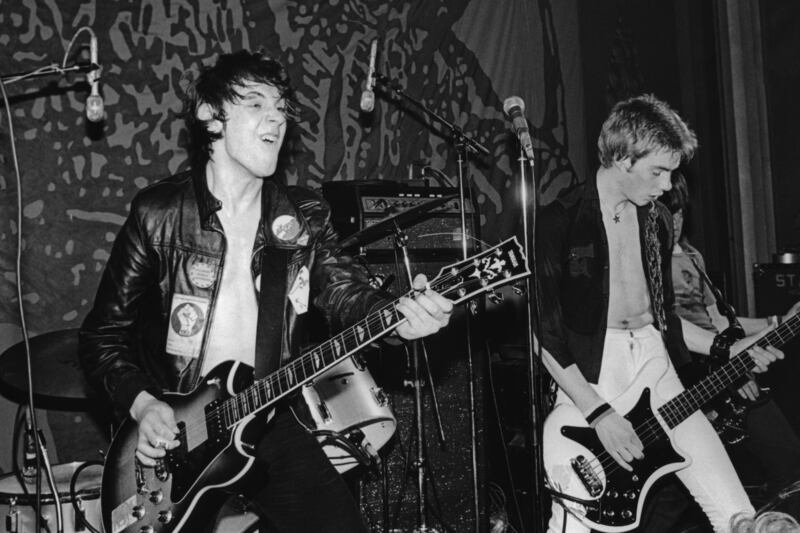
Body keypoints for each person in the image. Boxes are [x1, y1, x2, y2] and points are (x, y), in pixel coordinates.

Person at [78, 50, 454, 533]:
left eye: (281, 108)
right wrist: (145, 404)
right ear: (210, 114)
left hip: (266, 417)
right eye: (256, 103)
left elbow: (347, 294)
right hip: (174, 438)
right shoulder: (160, 214)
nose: (275, 117)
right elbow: (100, 339)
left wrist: (400, 318)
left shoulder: (300, 217)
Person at [536, 94, 784, 532]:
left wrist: (730, 346)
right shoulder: (560, 221)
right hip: (591, 377)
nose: (668, 185)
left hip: (658, 368)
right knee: (572, 522)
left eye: (671, 172)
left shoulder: (658, 222)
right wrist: (599, 415)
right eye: (659, 171)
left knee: (740, 515)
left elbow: (666, 320)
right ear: (621, 158)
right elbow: (547, 337)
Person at [665, 170, 800, 505]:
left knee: (790, 470)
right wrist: (729, 369)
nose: (676, 220)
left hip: (719, 368)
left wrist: (779, 321)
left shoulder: (692, 257)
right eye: (669, 211)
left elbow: (721, 323)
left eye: (681, 211)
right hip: (686, 379)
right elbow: (665, 332)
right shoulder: (646, 263)